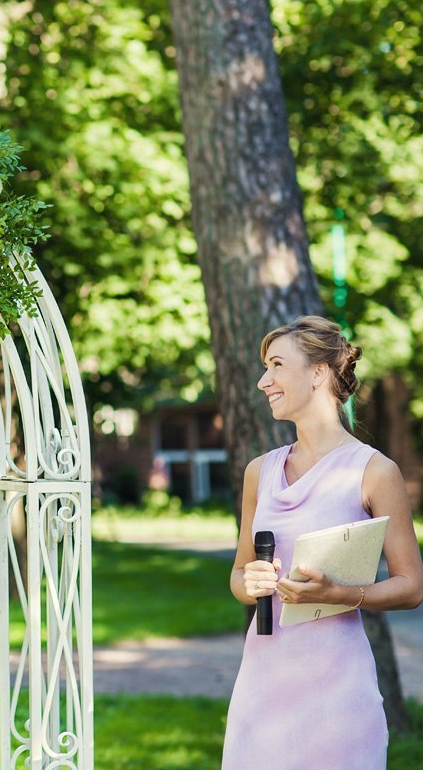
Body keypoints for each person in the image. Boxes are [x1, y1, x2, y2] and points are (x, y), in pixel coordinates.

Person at [223, 316, 423, 769]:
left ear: (318, 372)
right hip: (262, 681)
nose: (263, 381)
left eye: (276, 365)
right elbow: (239, 576)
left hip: (338, 689)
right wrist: (250, 581)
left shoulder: (374, 471)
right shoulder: (260, 471)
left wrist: (342, 595)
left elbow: (411, 586)